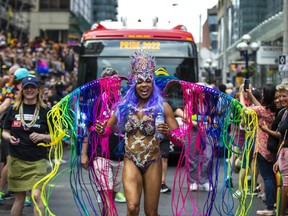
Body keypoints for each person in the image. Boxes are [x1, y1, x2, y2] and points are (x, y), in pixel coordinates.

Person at [93, 50, 183, 216]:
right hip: (131, 160)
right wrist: (100, 130)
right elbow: (107, 131)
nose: (144, 85)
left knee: (151, 212)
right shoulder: (124, 107)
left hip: (152, 162)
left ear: (152, 84)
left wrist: (169, 133)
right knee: (132, 207)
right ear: (134, 84)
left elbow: (181, 139)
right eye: (140, 81)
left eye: (148, 81)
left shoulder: (163, 107)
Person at [2, 75, 51, 215]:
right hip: (17, 160)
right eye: (26, 87)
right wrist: (9, 137)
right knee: (20, 198)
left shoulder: (45, 111)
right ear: (22, 90)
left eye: (32, 87)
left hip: (38, 161)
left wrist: (42, 136)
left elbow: (56, 136)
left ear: (38, 90)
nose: (29, 90)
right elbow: (5, 131)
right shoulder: (13, 109)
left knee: (36, 196)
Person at [81, 67, 126, 215]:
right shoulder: (96, 102)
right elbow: (87, 129)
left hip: (121, 155)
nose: (112, 84)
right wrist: (84, 154)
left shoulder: (126, 102)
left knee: (112, 194)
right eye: (107, 80)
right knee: (106, 194)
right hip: (100, 153)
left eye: (114, 80)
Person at [240, 83, 277, 216]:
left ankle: (269, 208)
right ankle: (272, 203)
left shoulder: (262, 111)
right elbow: (261, 107)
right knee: (271, 177)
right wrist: (250, 95)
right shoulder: (274, 109)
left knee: (267, 178)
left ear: (265, 96)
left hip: (262, 149)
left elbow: (244, 110)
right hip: (272, 148)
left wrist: (241, 96)